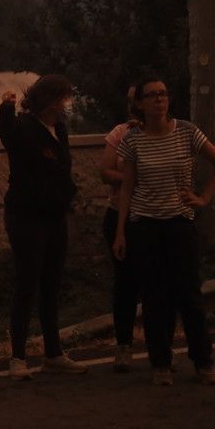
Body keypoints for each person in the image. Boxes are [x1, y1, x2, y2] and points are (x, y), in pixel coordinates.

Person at [113, 76, 215, 387]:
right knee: (154, 297)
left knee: (189, 295)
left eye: (163, 94)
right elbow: (127, 187)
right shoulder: (133, 140)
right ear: (139, 103)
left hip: (179, 223)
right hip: (145, 225)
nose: (159, 100)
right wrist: (120, 232)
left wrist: (203, 198)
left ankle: (203, 362)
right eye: (151, 96)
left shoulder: (187, 131)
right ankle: (160, 363)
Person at [0, 75, 88, 380]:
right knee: (27, 282)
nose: (67, 104)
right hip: (26, 215)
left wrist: (70, 199)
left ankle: (54, 353)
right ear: (50, 99)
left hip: (54, 215)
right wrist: (5, 108)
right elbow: (6, 135)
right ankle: (18, 357)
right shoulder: (24, 127)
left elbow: (62, 170)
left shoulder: (59, 130)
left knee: (52, 283)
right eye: (64, 97)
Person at [99, 87, 143, 372]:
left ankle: (160, 346)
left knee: (157, 283)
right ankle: (124, 345)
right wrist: (133, 180)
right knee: (125, 283)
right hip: (119, 216)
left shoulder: (171, 132)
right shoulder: (120, 133)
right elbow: (105, 172)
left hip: (154, 216)